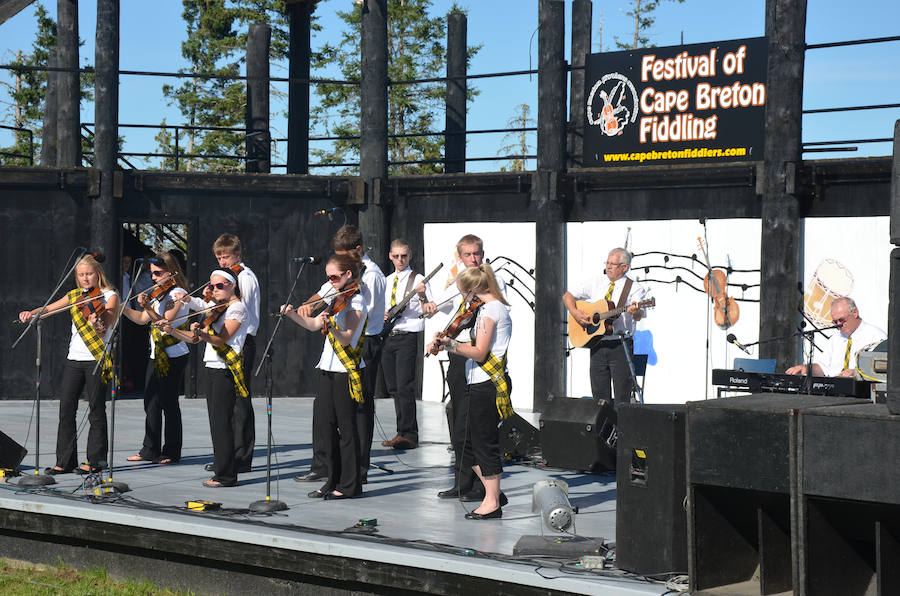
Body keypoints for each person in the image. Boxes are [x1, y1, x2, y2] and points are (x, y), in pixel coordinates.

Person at [293, 225, 386, 484]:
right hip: (336, 341)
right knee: (324, 410)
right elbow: (324, 293)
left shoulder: (372, 276)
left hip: (362, 340)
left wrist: (332, 317)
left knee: (357, 409)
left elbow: (359, 309)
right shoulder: (339, 277)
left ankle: (358, 468)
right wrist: (306, 306)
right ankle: (324, 464)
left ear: (357, 251)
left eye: (345, 255)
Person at [420, 234, 507, 502]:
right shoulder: (458, 282)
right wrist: (431, 307)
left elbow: (480, 332)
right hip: (461, 358)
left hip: (478, 359)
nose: (473, 258)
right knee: (458, 419)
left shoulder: (490, 283)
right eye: (468, 255)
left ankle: (486, 490)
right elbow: (452, 311)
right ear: (460, 256)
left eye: (477, 253)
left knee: (476, 428)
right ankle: (463, 481)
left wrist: (449, 343)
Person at [19, 255, 118, 475]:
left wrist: (96, 324)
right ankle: (65, 461)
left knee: (95, 410)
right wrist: (32, 313)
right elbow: (49, 309)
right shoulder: (74, 296)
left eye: (89, 274)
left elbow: (104, 329)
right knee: (66, 410)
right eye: (81, 275)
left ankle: (96, 460)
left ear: (97, 273)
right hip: (75, 358)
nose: (85, 278)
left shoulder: (110, 296)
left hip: (96, 358)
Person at [282, 253, 367, 500]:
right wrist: (292, 314)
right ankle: (332, 479)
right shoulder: (334, 297)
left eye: (334, 277)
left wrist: (332, 327)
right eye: (328, 277)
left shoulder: (356, 301)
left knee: (346, 428)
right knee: (325, 425)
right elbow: (312, 325)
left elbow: (347, 336)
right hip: (328, 367)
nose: (330, 281)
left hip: (345, 369)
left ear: (348, 275)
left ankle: (350, 484)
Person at [160, 270, 247, 487]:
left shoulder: (238, 308)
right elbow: (194, 338)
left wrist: (201, 332)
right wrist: (172, 331)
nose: (214, 290)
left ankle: (226, 475)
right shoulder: (217, 309)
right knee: (215, 422)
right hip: (212, 367)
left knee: (222, 423)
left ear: (232, 285)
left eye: (220, 286)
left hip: (225, 369)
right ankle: (221, 469)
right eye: (212, 285)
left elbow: (220, 339)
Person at [184, 234, 259, 475]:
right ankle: (227, 456)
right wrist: (193, 300)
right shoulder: (224, 280)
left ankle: (241, 457)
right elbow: (215, 306)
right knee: (226, 407)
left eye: (226, 256)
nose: (222, 261)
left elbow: (239, 306)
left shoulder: (244, 277)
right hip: (225, 340)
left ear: (238, 254)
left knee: (240, 402)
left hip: (241, 340)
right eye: (218, 257)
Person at [121, 252, 190, 465]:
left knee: (169, 403)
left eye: (158, 273)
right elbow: (142, 320)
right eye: (152, 274)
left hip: (173, 354)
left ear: (171, 272)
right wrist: (122, 308)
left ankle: (171, 450)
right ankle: (149, 449)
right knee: (150, 402)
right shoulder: (158, 293)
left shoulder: (179, 294)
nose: (153, 278)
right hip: (156, 354)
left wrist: (148, 308)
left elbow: (164, 322)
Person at [563, 247, 647, 406]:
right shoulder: (597, 282)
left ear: (624, 267)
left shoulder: (635, 289)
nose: (608, 267)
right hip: (597, 345)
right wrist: (575, 312)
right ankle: (603, 430)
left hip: (620, 346)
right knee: (599, 399)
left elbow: (639, 315)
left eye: (613, 264)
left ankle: (621, 430)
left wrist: (635, 311)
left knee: (622, 397)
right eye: (607, 263)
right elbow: (568, 295)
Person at [381, 239, 432, 450]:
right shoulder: (386, 280)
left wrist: (422, 296)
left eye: (404, 256)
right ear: (390, 256)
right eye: (396, 256)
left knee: (404, 386)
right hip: (388, 336)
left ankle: (410, 434)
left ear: (410, 256)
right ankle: (400, 431)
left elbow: (428, 309)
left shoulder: (418, 279)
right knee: (394, 388)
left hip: (407, 336)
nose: (400, 260)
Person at [786, 296, 886, 378]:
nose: (839, 324)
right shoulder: (835, 338)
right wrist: (807, 368)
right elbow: (823, 367)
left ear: (855, 313)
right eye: (835, 322)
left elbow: (881, 368)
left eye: (842, 319)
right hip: (835, 391)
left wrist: (856, 372)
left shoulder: (876, 336)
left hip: (862, 391)